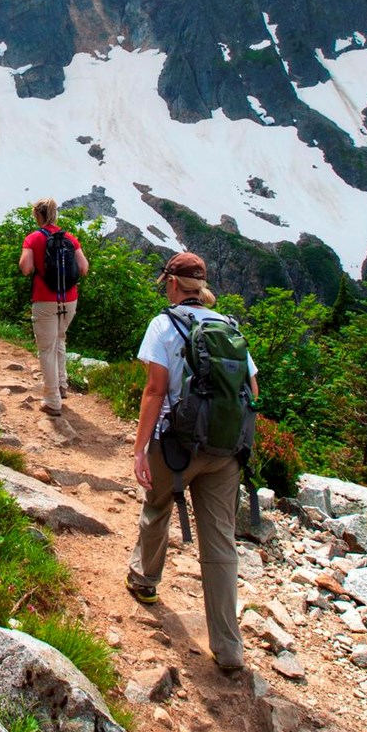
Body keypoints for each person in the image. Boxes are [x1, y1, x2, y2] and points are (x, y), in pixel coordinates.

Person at [125, 251, 260, 675]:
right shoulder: (229, 326)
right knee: (219, 541)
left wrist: (140, 448)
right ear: (199, 288)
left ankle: (145, 581)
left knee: (157, 506)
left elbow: (154, 390)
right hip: (226, 451)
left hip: (177, 444)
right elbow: (252, 389)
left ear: (170, 284)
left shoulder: (164, 324)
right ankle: (228, 646)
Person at [17, 198, 89, 417]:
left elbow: (26, 268)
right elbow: (84, 268)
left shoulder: (33, 238)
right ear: (55, 214)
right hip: (69, 299)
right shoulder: (69, 238)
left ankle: (52, 400)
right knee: (60, 339)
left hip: (44, 298)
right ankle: (61, 385)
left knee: (46, 349)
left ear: (37, 215)